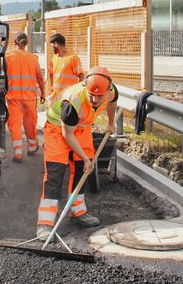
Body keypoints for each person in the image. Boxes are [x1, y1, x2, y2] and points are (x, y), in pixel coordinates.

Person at [36, 66, 118, 241]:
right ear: (84, 87)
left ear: (108, 89)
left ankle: (77, 210)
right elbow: (67, 134)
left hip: (82, 129)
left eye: (99, 96)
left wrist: (111, 124)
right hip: (58, 129)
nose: (95, 99)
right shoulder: (72, 102)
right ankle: (45, 223)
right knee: (55, 172)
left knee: (82, 170)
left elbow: (112, 103)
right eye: (91, 95)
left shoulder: (111, 91)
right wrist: (84, 157)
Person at [6, 32, 45, 163]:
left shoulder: (8, 57)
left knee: (15, 124)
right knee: (30, 123)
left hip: (13, 98)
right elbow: (39, 77)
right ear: (26, 43)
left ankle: (18, 154)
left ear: (14, 42)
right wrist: (43, 93)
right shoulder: (33, 58)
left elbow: (1, 78)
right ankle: (32, 148)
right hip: (30, 98)